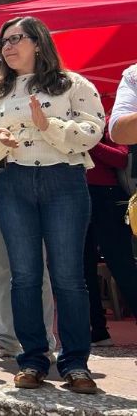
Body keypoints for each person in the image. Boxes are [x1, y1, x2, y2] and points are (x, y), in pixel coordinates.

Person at [0, 16, 104, 394]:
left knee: (67, 276)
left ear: (38, 41)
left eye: (16, 39)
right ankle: (32, 359)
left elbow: (93, 130)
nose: (8, 48)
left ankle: (76, 363)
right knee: (24, 276)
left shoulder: (72, 83)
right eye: (4, 42)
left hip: (63, 180)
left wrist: (47, 125)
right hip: (13, 183)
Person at [0, 49, 57, 359]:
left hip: (32, 191)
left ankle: (43, 339)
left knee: (35, 269)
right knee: (1, 270)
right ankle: (4, 335)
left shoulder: (39, 92)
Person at [84, 125, 137, 347]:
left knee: (121, 264)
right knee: (82, 267)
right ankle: (97, 330)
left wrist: (88, 143)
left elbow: (121, 159)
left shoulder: (108, 123)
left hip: (108, 197)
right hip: (76, 194)